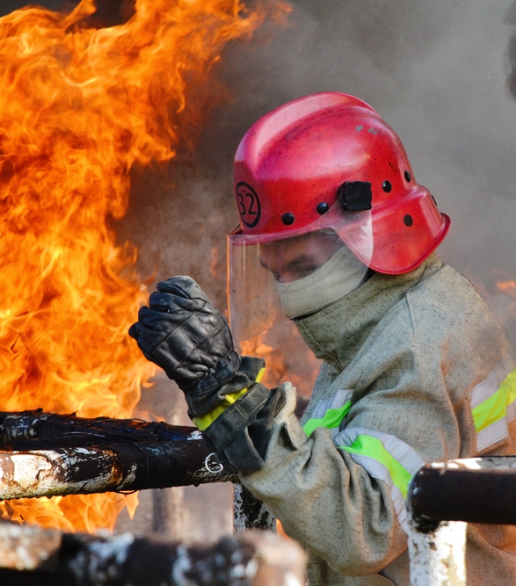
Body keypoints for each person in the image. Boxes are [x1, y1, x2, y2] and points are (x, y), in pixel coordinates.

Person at [129, 92, 516, 585]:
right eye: (274, 273)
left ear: (370, 233)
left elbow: (366, 526)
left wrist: (229, 397)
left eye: (305, 268)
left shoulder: (413, 342)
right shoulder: (378, 317)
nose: (290, 296)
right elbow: (362, 445)